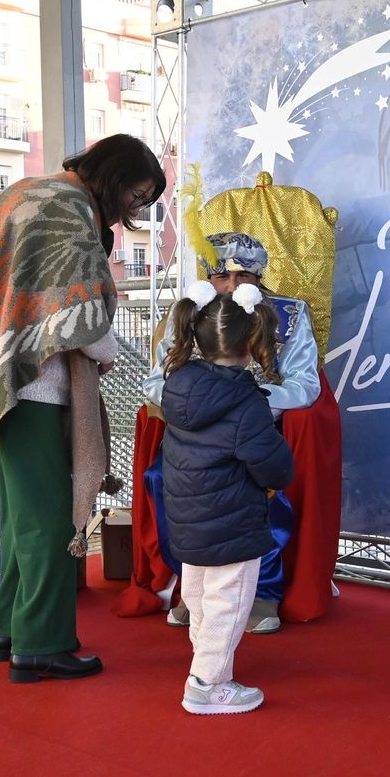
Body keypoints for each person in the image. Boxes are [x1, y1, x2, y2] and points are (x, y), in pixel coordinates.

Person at [0, 133, 165, 682]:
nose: (136, 209)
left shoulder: (26, 193)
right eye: (137, 194)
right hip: (36, 387)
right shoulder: (71, 209)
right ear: (115, 176)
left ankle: (12, 630)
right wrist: (107, 353)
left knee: (23, 520)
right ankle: (41, 645)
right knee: (48, 524)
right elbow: (86, 326)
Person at [126, 231, 339, 632]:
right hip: (194, 435)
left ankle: (264, 589)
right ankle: (195, 590)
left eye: (244, 278)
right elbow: (156, 381)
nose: (232, 286)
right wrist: (202, 400)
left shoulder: (288, 314)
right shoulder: (188, 312)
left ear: (259, 278)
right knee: (160, 479)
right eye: (223, 277)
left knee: (261, 484)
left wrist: (244, 400)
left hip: (259, 425)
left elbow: (305, 385)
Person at [161, 280, 295, 714]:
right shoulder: (244, 401)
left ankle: (206, 660)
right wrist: (277, 477)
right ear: (251, 341)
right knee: (230, 600)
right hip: (233, 518)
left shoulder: (178, 387)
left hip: (188, 514)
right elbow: (274, 465)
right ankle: (207, 684)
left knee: (199, 594)